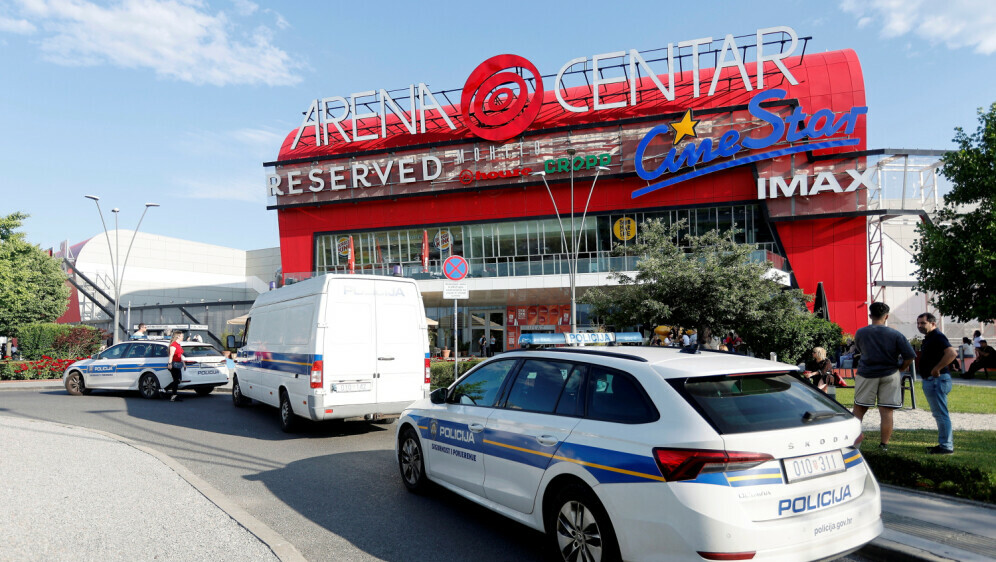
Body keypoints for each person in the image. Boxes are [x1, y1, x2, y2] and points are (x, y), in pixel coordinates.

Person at [852, 302, 916, 452]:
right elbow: (910, 355)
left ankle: (852, 441)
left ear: (870, 315)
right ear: (886, 316)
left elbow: (860, 349)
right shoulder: (895, 334)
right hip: (890, 373)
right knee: (887, 411)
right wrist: (901, 367)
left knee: (859, 408)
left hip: (867, 373)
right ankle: (884, 445)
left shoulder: (861, 332)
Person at [916, 313, 957, 454]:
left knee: (941, 414)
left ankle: (946, 446)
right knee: (939, 414)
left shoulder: (938, 336)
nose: (919, 326)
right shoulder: (930, 337)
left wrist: (937, 368)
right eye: (918, 323)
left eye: (923, 323)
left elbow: (952, 353)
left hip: (937, 380)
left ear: (933, 323)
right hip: (932, 380)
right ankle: (944, 444)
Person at [165, 331, 185, 402]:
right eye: (182, 336)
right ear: (178, 336)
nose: (183, 337)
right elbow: (171, 355)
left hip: (178, 364)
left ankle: (164, 390)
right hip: (174, 364)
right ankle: (173, 396)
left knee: (177, 381)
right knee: (176, 380)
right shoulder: (173, 345)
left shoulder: (179, 345)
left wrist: (183, 363)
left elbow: (180, 355)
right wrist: (169, 364)